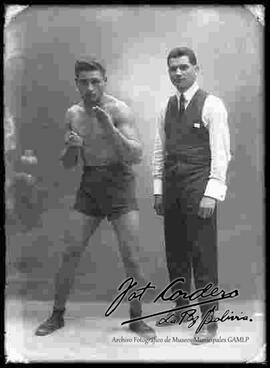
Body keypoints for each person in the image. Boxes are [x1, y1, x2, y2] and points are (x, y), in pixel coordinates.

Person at [35, 57, 156, 339]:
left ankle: (137, 319)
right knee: (70, 252)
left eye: (95, 82)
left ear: (105, 81)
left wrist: (110, 130)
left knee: (132, 257)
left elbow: (136, 154)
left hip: (119, 183)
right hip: (90, 183)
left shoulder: (118, 109)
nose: (90, 88)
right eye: (84, 82)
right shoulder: (73, 114)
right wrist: (71, 148)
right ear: (76, 83)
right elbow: (68, 163)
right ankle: (56, 315)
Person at [152, 47, 231, 344]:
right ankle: (182, 308)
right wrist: (158, 190)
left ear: (196, 69)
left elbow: (221, 155)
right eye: (173, 68)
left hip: (199, 187)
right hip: (172, 188)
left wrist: (211, 194)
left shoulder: (212, 105)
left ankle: (209, 320)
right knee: (176, 251)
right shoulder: (166, 107)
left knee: (203, 255)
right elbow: (160, 150)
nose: (178, 73)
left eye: (184, 67)